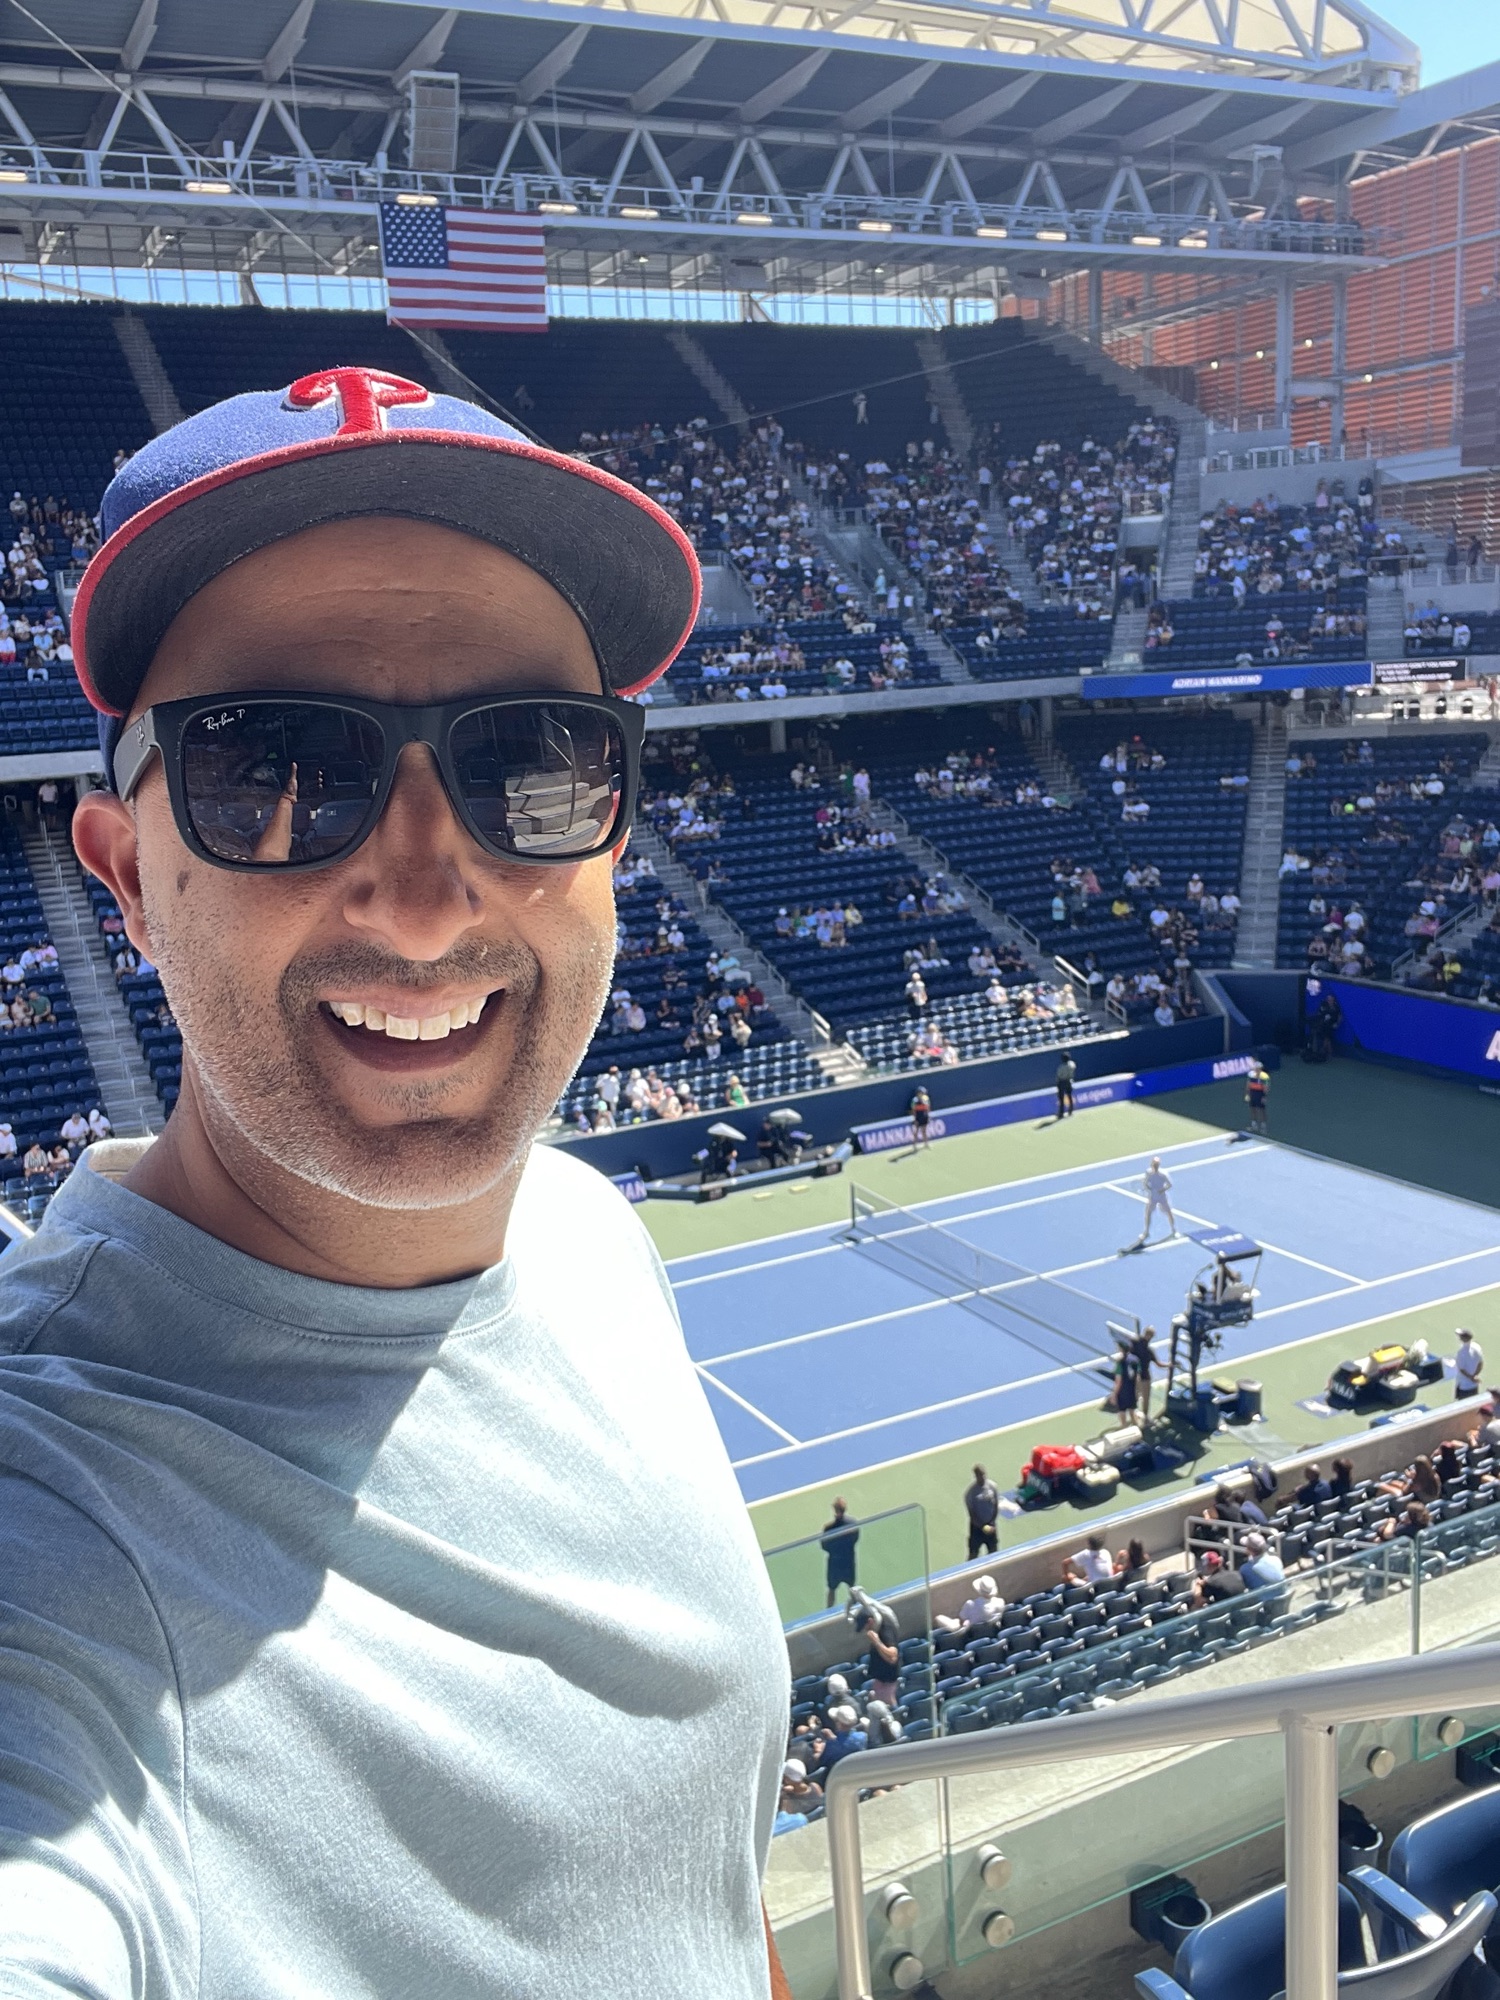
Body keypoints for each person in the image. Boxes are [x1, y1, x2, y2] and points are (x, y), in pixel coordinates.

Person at [0, 367, 791, 2000]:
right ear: (129, 875)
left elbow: (697, 1877)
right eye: (275, 768)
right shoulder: (55, 1520)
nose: (426, 902)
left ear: (612, 835)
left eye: (532, 762)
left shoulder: (586, 1233)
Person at [849, 1587, 900, 1705]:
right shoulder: (876, 1628)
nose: (865, 1629)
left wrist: (877, 1642)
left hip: (888, 1678)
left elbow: (893, 1656)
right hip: (880, 1677)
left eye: (865, 1626)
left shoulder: (886, 1630)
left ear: (870, 1621)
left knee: (888, 1702)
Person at [822, 1497, 859, 1606]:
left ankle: (829, 1612)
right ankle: (856, 1608)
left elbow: (824, 1545)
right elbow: (855, 1539)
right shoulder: (853, 1524)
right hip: (848, 1561)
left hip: (835, 1563)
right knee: (852, 1587)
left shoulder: (828, 1528)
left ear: (834, 1509)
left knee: (832, 1589)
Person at [964, 1463, 1000, 1559]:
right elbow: (972, 1514)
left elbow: (996, 1506)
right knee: (973, 1554)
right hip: (977, 1529)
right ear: (976, 1476)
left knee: (994, 1553)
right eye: (980, 1475)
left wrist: (992, 1523)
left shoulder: (992, 1487)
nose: (982, 1477)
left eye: (983, 1474)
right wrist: (982, 1526)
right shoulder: (970, 1493)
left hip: (991, 1526)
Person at [1138, 1156, 1176, 1243]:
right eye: (1154, 1164)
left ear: (1158, 1165)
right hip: (1153, 1197)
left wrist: (1162, 1190)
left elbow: (1169, 1185)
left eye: (1156, 1164)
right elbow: (1146, 1183)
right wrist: (1148, 1188)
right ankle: (1146, 1232)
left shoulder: (1163, 1174)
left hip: (1162, 1197)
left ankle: (1174, 1230)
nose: (1155, 1166)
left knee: (1169, 1213)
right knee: (1148, 1213)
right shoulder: (1148, 1173)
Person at [1455, 1326, 1485, 1400]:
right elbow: (1480, 1363)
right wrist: (1475, 1376)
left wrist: (1471, 1378)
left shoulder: (1461, 1352)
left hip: (1464, 1386)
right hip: (1474, 1386)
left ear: (1462, 1339)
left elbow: (1462, 1369)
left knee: (1462, 1404)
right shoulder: (1477, 1347)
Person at [1244, 1060, 1270, 1138]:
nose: (1256, 1069)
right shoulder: (1251, 1075)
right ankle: (1254, 1125)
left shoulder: (1265, 1076)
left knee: (1261, 1110)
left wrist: (1264, 1096)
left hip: (1260, 1094)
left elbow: (1266, 1088)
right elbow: (1248, 1084)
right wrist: (1247, 1094)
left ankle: (1263, 1127)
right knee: (1252, 1109)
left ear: (1261, 1068)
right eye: (1255, 1068)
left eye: (1258, 1068)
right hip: (1252, 1093)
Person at [909, 1083, 932, 1149]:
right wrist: (915, 1119)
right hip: (918, 1117)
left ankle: (926, 1144)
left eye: (922, 1093)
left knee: (924, 1131)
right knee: (916, 1131)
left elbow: (928, 1108)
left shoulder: (926, 1098)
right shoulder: (914, 1100)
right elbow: (913, 1110)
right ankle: (914, 1145)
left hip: (924, 1116)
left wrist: (928, 1116)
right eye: (920, 1093)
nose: (921, 1094)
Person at [1055, 1050, 1076, 1119]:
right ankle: (1071, 1110)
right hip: (1069, 1081)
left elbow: (1059, 1075)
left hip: (1062, 1082)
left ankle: (1061, 1113)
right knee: (1069, 1096)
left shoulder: (1061, 1067)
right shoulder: (1072, 1064)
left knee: (1061, 1098)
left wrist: (1057, 1083)